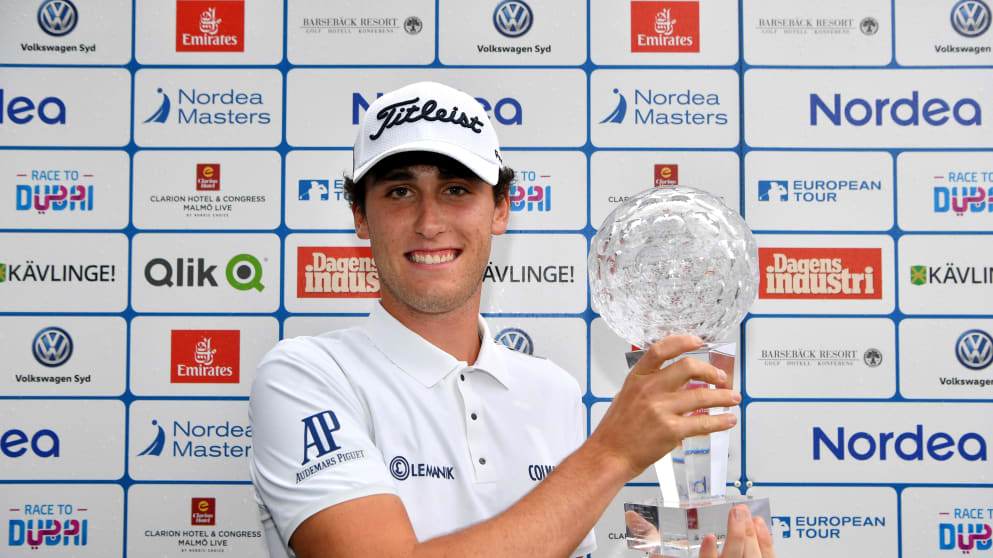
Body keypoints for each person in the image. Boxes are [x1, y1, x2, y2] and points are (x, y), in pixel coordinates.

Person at [249, 81, 775, 558]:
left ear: (500, 209)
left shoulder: (553, 391)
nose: (429, 223)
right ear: (360, 216)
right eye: (399, 191)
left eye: (456, 190)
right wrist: (611, 453)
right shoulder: (307, 377)